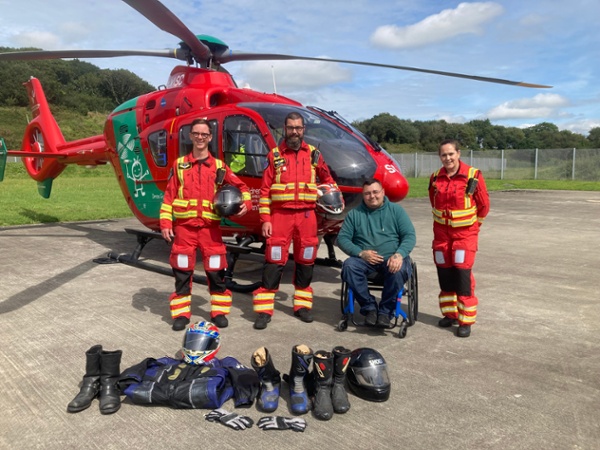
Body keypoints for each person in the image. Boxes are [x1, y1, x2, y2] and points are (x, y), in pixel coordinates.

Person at [160, 118, 252, 331]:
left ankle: (219, 312)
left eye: (204, 134)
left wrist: (246, 202)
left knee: (216, 270)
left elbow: (242, 186)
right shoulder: (180, 165)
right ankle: (182, 314)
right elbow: (168, 197)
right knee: (182, 271)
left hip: (210, 229)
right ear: (190, 136)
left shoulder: (219, 166)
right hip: (184, 229)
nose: (200, 137)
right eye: (196, 133)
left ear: (210, 138)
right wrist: (165, 222)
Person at [252, 111, 340, 330]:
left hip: (307, 217)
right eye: (291, 128)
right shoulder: (274, 155)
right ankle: (264, 310)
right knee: (273, 262)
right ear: (285, 128)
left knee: (306, 261)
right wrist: (265, 219)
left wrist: (329, 196)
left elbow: (328, 181)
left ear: (304, 130)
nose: (294, 132)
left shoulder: (314, 155)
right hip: (280, 217)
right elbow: (264, 191)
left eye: (298, 128)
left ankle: (302, 307)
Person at [429, 139, 490, 338]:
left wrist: (474, 227)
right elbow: (433, 202)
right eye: (443, 155)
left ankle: (465, 320)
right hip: (441, 236)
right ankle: (450, 314)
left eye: (451, 154)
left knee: (463, 277)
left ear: (458, 153)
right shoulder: (435, 178)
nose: (447, 158)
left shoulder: (473, 176)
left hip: (465, 236)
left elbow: (483, 206)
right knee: (445, 275)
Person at [337, 179, 416, 327]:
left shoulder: (396, 211)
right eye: (367, 193)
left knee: (399, 270)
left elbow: (409, 235)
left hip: (392, 258)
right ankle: (369, 308)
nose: (372, 196)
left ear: (383, 192)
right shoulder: (355, 214)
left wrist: (399, 254)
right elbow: (342, 238)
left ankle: (386, 312)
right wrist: (360, 253)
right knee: (349, 266)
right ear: (363, 195)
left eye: (375, 192)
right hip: (365, 261)